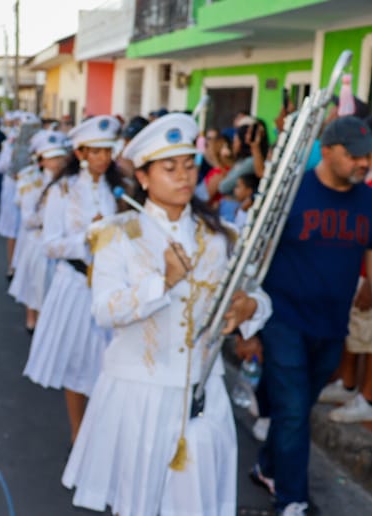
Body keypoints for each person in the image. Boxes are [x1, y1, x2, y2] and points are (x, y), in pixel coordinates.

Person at [63, 113, 271, 516]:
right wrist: (163, 283)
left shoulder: (222, 236)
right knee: (137, 501)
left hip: (202, 391)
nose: (183, 176)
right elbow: (105, 310)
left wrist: (250, 308)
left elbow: (259, 296)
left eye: (189, 165)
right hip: (138, 392)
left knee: (194, 503)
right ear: (143, 177)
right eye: (169, 167)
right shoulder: (117, 234)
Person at [251, 116, 372, 515]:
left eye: (368, 156)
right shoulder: (291, 195)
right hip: (284, 319)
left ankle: (266, 467)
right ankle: (293, 501)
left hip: (331, 325)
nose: (364, 163)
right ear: (329, 150)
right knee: (290, 410)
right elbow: (257, 254)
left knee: (297, 410)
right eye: (355, 155)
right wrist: (248, 326)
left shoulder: (366, 200)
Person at [23, 116, 122, 444]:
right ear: (80, 153)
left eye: (108, 151)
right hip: (77, 285)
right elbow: (50, 245)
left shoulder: (118, 189)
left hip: (112, 287)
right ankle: (78, 436)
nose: (103, 158)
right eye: (96, 151)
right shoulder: (63, 191)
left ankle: (100, 435)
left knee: (108, 366)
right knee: (78, 366)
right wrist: (88, 238)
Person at [8, 131, 68, 333]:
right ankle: (32, 318)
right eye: (52, 158)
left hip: (59, 240)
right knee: (34, 282)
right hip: (37, 239)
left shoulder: (69, 181)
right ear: (41, 160)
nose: (58, 162)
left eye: (60, 157)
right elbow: (28, 219)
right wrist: (52, 217)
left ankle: (44, 321)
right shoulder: (30, 180)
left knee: (50, 287)